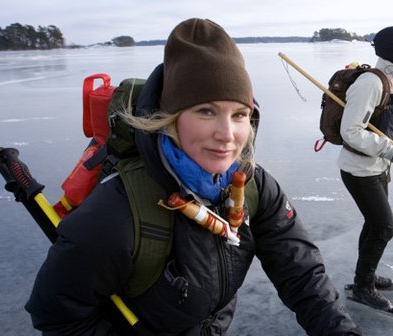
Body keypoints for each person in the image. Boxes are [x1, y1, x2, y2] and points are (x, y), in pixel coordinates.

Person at [25, 18, 361, 336]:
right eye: (206, 111)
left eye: (240, 114)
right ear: (169, 119)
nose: (227, 134)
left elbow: (301, 274)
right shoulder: (116, 214)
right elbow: (59, 318)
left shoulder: (254, 187)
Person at [338, 26, 393, 310]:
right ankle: (363, 287)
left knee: (374, 225)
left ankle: (366, 277)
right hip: (359, 170)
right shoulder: (371, 84)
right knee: (383, 227)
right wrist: (389, 150)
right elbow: (350, 131)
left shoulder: (392, 81)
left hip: (377, 167)